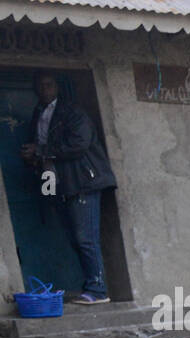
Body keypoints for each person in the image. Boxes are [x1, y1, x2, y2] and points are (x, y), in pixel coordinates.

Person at [19, 70, 117, 304]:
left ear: (57, 87)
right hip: (58, 183)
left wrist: (40, 151)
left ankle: (98, 290)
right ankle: (90, 286)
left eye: (49, 84)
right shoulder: (39, 113)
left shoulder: (72, 112)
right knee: (74, 237)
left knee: (86, 238)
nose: (45, 89)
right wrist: (33, 157)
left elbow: (78, 145)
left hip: (83, 181)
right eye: (40, 85)